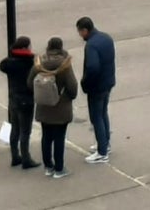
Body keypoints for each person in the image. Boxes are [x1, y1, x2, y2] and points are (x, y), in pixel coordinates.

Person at [29, 36, 79, 179]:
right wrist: (68, 97)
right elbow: (72, 86)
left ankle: (48, 167)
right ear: (61, 47)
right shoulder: (64, 64)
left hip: (44, 106)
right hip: (61, 108)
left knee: (46, 137)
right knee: (59, 138)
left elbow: (29, 83)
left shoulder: (39, 63)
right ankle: (59, 168)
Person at [76, 16, 116, 164]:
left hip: (97, 87)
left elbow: (92, 67)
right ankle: (106, 143)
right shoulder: (106, 38)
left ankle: (102, 152)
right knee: (103, 112)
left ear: (85, 30)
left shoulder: (91, 45)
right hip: (108, 82)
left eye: (80, 32)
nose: (80, 35)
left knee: (96, 117)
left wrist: (85, 83)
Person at [0, 36, 41, 170]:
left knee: (15, 128)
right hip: (26, 99)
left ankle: (15, 156)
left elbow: (3, 65)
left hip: (13, 98)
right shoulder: (29, 62)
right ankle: (26, 158)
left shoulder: (10, 63)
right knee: (25, 131)